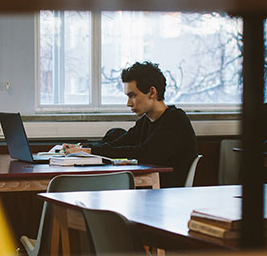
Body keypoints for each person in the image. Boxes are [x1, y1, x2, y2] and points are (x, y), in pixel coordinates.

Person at [63, 61, 197, 188]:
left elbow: (143, 153)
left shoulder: (176, 120)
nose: (128, 103)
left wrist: (91, 151)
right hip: (145, 188)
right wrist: (82, 148)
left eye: (132, 96)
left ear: (152, 92)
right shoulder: (146, 121)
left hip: (167, 193)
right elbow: (119, 143)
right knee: (114, 133)